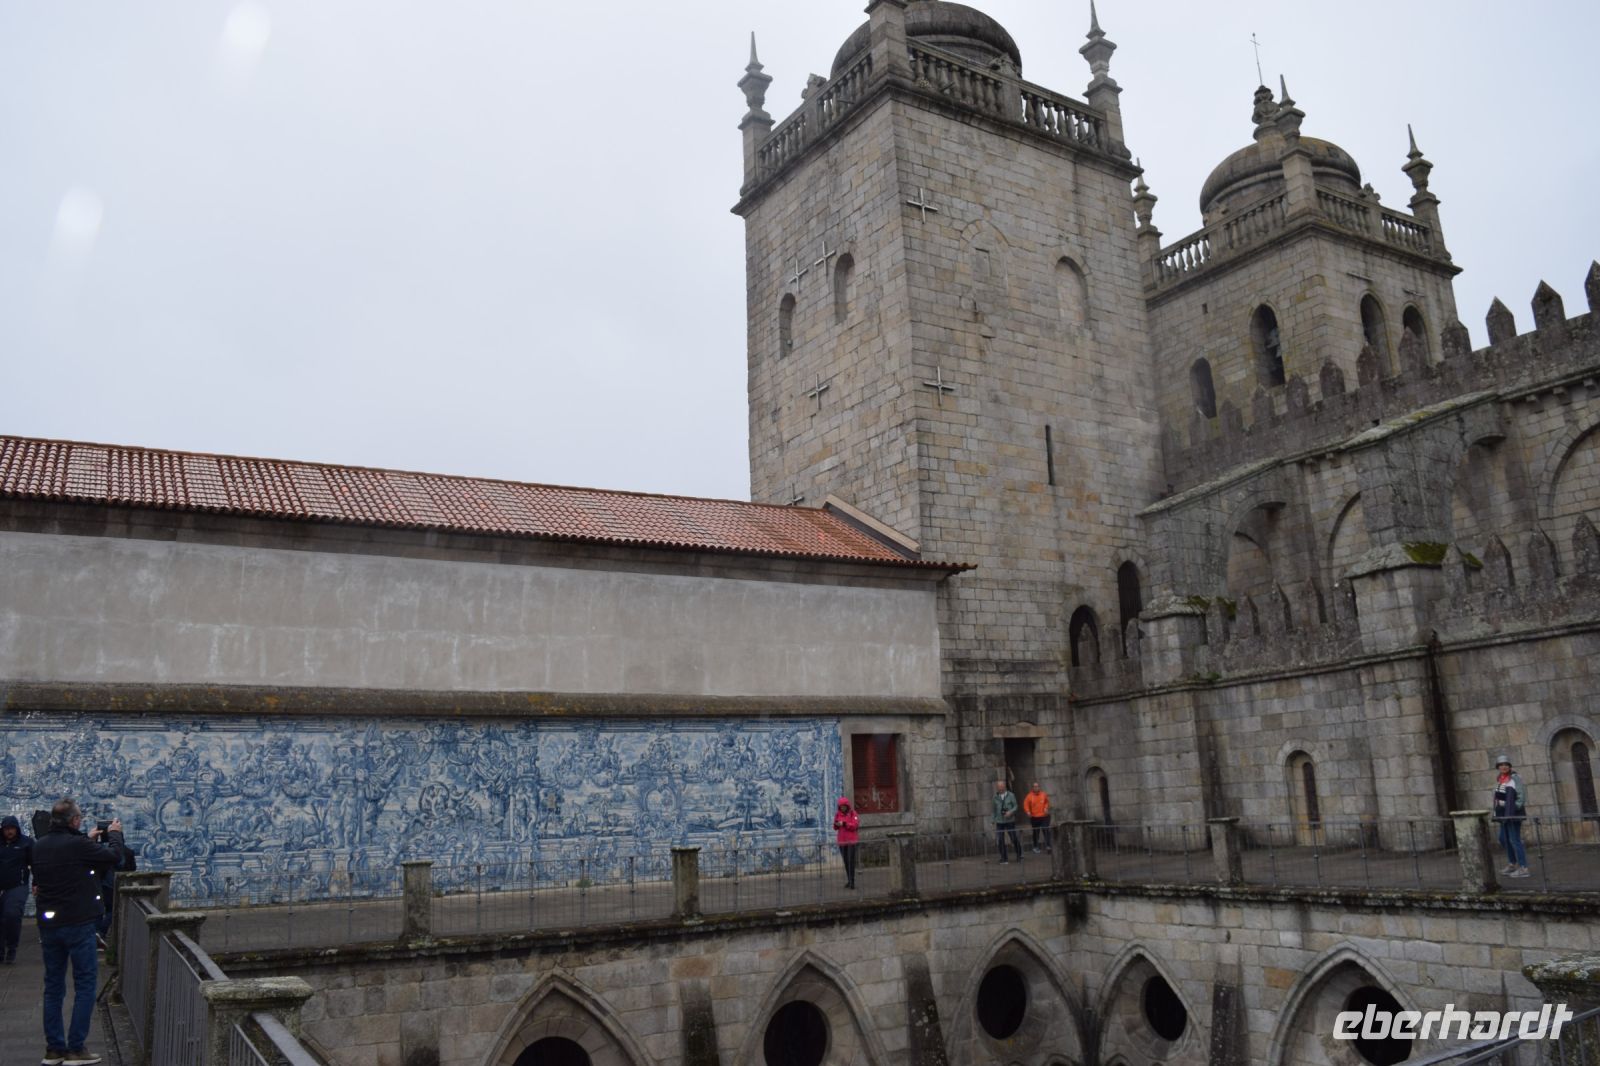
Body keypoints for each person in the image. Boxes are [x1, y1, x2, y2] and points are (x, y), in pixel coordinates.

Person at [32, 798, 123, 1066]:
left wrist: (86, 839)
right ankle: (76, 1049)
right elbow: (115, 857)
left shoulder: (39, 845)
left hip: (49, 925)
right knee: (85, 984)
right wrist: (114, 834)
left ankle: (54, 1049)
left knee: (53, 986)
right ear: (74, 820)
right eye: (79, 818)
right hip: (79, 923)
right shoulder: (78, 845)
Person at [1, 814, 33, 964]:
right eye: (6, 829)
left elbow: (35, 863)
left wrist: (37, 882)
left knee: (12, 914)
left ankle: (12, 947)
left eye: (12, 828)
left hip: (17, 885)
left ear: (17, 829)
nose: (9, 831)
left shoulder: (26, 843)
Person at [1492, 756, 1529, 879]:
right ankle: (1512, 864)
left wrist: (1513, 807)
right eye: (1501, 765)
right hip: (1503, 814)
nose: (1504, 766)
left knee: (1514, 839)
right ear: (1498, 767)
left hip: (1513, 813)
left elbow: (1521, 796)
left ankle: (1523, 868)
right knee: (1503, 839)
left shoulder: (1515, 778)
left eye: (1506, 764)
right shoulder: (1500, 779)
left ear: (1509, 766)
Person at [833, 797, 860, 889]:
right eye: (841, 806)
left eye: (844, 806)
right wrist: (836, 824)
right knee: (846, 861)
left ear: (847, 806)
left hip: (851, 841)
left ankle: (852, 881)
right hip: (842, 841)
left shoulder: (853, 813)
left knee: (850, 861)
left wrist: (845, 824)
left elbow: (855, 826)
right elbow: (835, 828)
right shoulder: (837, 814)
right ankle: (849, 880)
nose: (842, 808)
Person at [993, 780, 1021, 864]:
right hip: (999, 821)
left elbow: (1015, 806)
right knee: (1000, 840)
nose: (1000, 788)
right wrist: (992, 820)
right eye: (999, 787)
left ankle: (1019, 855)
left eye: (1001, 786)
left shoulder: (1011, 795)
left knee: (1013, 838)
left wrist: (1010, 812)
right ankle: (1004, 858)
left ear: (1004, 786)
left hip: (1009, 820)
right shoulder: (995, 797)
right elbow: (994, 810)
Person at [1023, 782, 1051, 855]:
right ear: (1032, 788)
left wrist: (1046, 808)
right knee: (1036, 833)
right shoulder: (1029, 796)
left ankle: (1048, 846)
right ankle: (1035, 847)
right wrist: (1028, 812)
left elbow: (1047, 802)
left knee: (1046, 830)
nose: (1036, 788)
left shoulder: (1043, 794)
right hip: (1034, 817)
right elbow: (1025, 804)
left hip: (1044, 816)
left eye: (1037, 786)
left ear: (1039, 787)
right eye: (1034, 786)